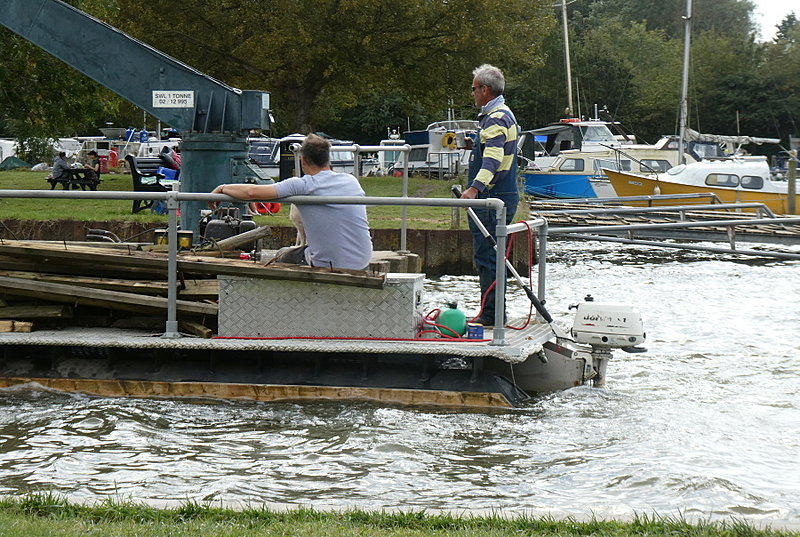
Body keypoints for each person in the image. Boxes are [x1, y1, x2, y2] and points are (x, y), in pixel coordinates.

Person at [209, 133, 372, 271]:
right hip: (362, 260)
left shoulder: (303, 184)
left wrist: (222, 188)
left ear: (303, 160)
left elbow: (251, 192)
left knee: (281, 255)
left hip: (327, 263)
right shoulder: (351, 181)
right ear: (328, 160)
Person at [459, 64, 520, 327]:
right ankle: (493, 311)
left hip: (493, 197)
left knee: (487, 256)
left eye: (474, 89)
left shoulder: (495, 117)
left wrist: (474, 190)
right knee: (493, 256)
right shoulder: (503, 114)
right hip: (504, 192)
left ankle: (492, 314)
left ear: (485, 90)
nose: (472, 94)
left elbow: (493, 160)